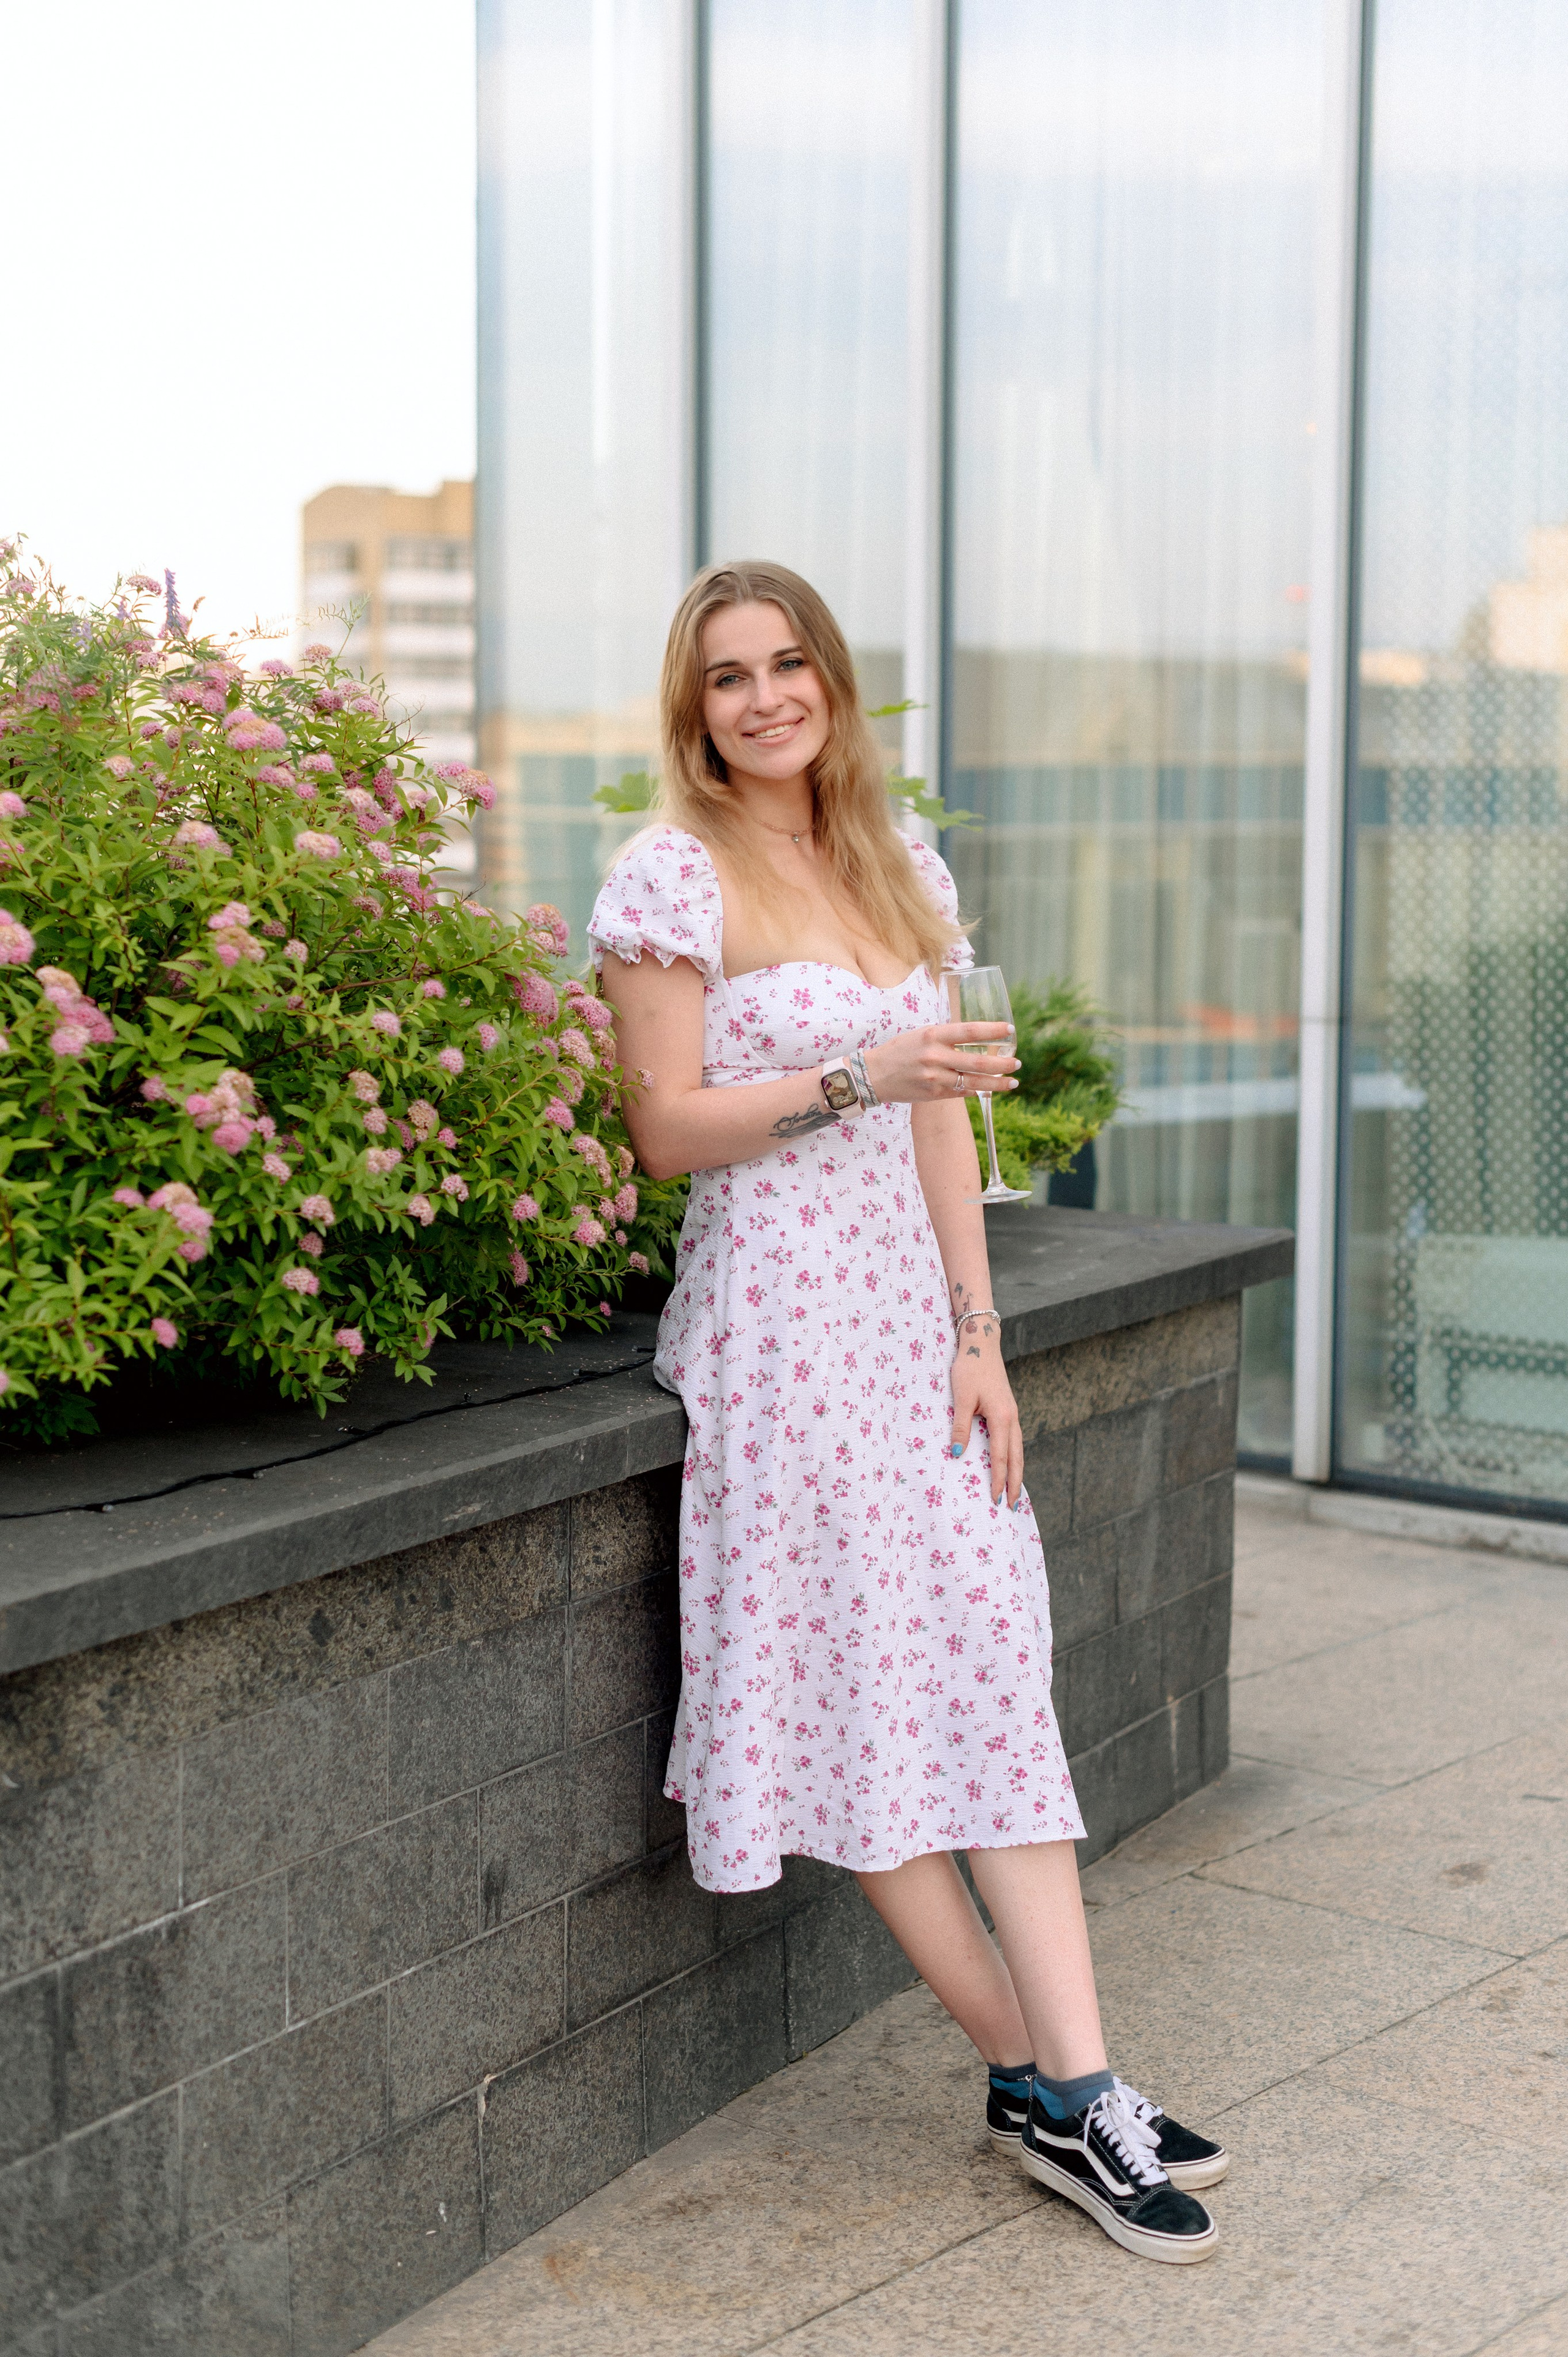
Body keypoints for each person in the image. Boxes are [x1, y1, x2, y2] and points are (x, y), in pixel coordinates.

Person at [589, 560, 1227, 2265]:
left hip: (911, 1336)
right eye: (729, 676)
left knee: (994, 1682)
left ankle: (1064, 2085)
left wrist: (979, 1336)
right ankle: (1062, 2085)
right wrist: (852, 1076)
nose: (765, 698)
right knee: (869, 1710)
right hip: (781, 1340)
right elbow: (663, 1129)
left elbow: (946, 1121)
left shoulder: (899, 863)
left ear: (831, 680)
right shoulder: (668, 876)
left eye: (787, 663)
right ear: (696, 709)